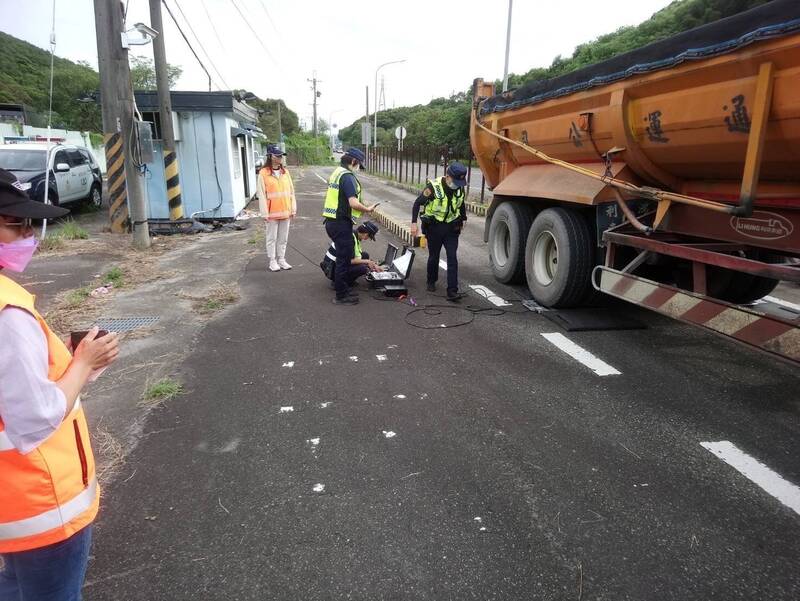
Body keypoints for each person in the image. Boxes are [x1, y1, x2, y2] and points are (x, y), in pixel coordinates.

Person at [0, 169, 120, 600]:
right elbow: (35, 418)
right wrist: (84, 363)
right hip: (40, 504)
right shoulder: (9, 313)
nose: (29, 234)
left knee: (16, 589)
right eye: (17, 224)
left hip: (11, 501)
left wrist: (77, 365)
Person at [322, 148, 378, 305]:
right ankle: (341, 295)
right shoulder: (347, 177)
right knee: (343, 260)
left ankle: (343, 290)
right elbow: (352, 202)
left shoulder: (337, 172)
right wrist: (367, 209)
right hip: (340, 223)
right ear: (353, 161)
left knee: (343, 258)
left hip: (333, 221)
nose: (358, 167)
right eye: (358, 164)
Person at [410, 161, 468, 301]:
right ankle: (431, 281)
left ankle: (452, 291)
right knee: (434, 256)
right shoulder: (433, 187)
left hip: (451, 228)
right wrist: (413, 223)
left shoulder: (459, 188)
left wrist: (463, 219)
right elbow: (417, 203)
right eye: (455, 181)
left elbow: (460, 204)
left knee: (452, 258)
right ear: (447, 177)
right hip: (434, 228)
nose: (457, 185)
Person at [257, 143, 296, 272]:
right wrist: (264, 213)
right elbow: (261, 194)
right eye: (277, 155)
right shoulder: (263, 173)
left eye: (281, 155)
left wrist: (293, 208)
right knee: (271, 238)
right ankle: (272, 261)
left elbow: (291, 192)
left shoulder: (285, 172)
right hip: (271, 213)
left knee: (283, 238)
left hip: (285, 211)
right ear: (270, 156)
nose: (280, 158)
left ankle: (281, 259)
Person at [320, 220, 382, 288]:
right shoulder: (350, 240)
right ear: (366, 234)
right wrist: (368, 262)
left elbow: (357, 255)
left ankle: (346, 280)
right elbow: (349, 260)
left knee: (365, 255)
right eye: (369, 237)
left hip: (334, 264)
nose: (367, 239)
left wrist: (373, 264)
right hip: (331, 269)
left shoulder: (353, 234)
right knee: (362, 268)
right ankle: (339, 282)